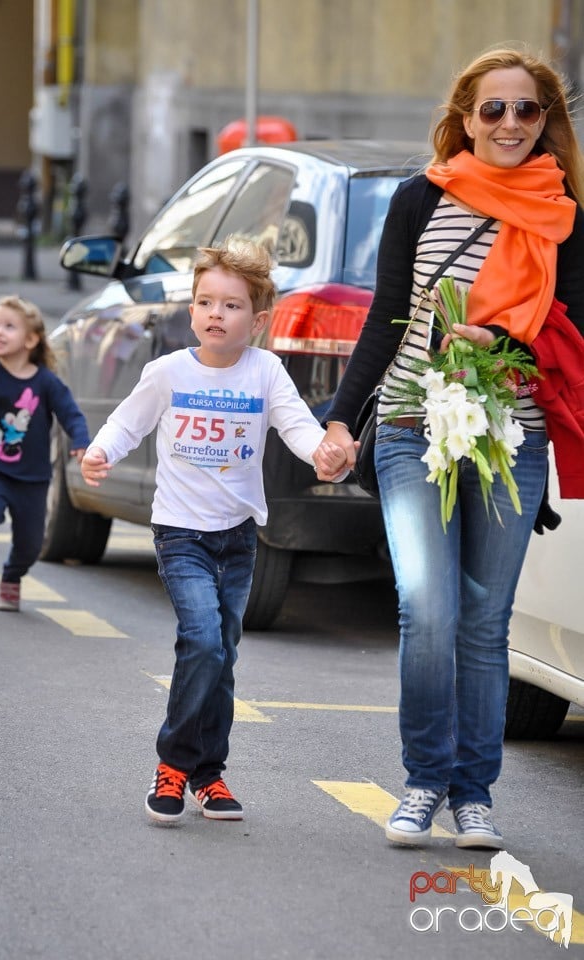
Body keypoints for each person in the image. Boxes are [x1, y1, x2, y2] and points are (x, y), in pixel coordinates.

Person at [323, 47, 584, 849]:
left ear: (547, 121)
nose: (509, 124)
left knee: (483, 620)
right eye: (493, 110)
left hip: (513, 432)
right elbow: (385, 319)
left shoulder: (567, 212)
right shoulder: (418, 199)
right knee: (426, 608)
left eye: (527, 109)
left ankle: (475, 795)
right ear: (465, 118)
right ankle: (423, 780)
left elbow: (576, 330)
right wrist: (339, 417)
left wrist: (505, 338)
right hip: (410, 422)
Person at [81, 237, 347, 825]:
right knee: (201, 640)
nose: (215, 315)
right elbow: (130, 420)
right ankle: (173, 764)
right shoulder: (168, 371)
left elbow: (299, 427)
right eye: (205, 302)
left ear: (256, 319)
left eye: (230, 306)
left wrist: (324, 453)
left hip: (237, 536)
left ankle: (209, 775)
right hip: (180, 532)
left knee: (222, 656)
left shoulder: (266, 371)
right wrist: (100, 451)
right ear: (192, 309)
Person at [0, 295, 89, 611]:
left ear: (31, 339)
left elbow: (71, 414)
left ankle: (12, 577)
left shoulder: (47, 383)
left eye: (8, 326)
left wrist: (81, 441)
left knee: (30, 544)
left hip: (33, 479)